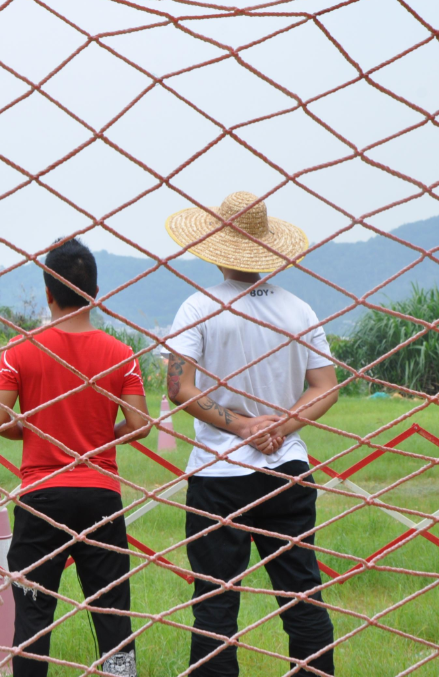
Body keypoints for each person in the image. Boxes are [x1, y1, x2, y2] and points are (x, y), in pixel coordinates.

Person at [162, 191, 338, 676]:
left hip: (219, 476)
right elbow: (326, 387)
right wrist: (279, 426)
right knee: (303, 598)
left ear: (216, 245)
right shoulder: (299, 309)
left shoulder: (197, 307)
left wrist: (242, 427)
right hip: (288, 471)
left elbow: (178, 387)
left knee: (216, 604)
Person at [0, 237, 151, 677]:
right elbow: (140, 424)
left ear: (47, 292)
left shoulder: (20, 350)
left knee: (33, 619)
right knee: (113, 615)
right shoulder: (122, 354)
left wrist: (36, 432)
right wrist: (100, 438)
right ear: (95, 293)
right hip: (101, 498)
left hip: (41, 499)